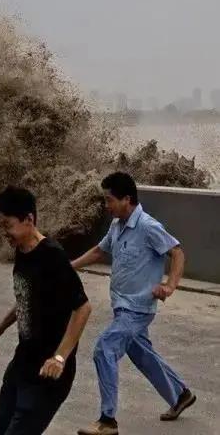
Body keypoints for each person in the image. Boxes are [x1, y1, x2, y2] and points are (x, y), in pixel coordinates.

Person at [73, 173, 195, 435]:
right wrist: (68, 266)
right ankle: (180, 394)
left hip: (137, 308)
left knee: (104, 349)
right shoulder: (117, 226)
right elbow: (99, 250)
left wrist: (170, 286)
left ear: (127, 199)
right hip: (121, 305)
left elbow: (177, 252)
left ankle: (108, 421)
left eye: (109, 200)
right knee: (141, 354)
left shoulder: (148, 226)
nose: (106, 205)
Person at [0, 186, 92, 435]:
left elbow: (83, 308)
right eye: (1, 226)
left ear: (29, 219)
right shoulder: (22, 251)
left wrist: (60, 358)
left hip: (48, 374)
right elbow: (26, 297)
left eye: (8, 225)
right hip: (22, 364)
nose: (5, 233)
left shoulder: (53, 256)